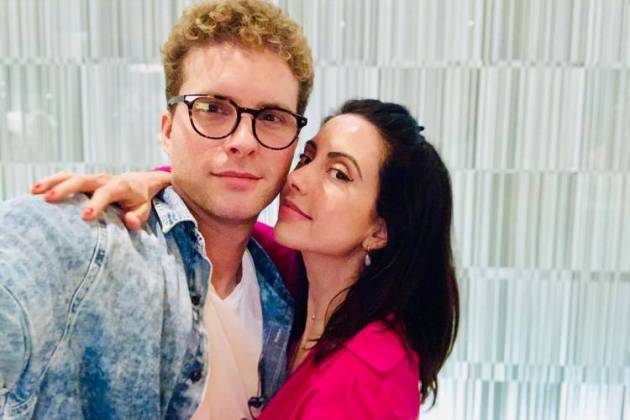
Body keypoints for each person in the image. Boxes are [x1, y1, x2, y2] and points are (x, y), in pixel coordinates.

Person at [36, 99, 460, 418]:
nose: (298, 180)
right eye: (308, 158)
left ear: (379, 230)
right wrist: (148, 182)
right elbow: (217, 215)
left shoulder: (371, 377)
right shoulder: (295, 272)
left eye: (339, 174)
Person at [0, 0, 313, 418]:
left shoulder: (289, 288)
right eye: (213, 109)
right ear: (167, 131)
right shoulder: (91, 245)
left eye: (271, 117)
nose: (243, 141)